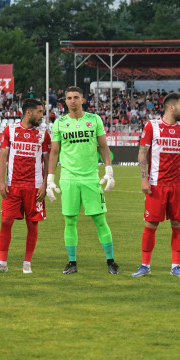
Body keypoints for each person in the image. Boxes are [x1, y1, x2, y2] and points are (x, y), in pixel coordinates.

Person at [46, 86, 119, 275]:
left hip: (91, 178)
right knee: (70, 222)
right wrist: (50, 179)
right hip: (68, 179)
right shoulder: (60, 123)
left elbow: (103, 147)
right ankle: (72, 263)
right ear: (65, 100)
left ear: (83, 99)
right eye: (69, 98)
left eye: (76, 97)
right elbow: (54, 152)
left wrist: (109, 171)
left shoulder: (94, 120)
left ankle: (111, 262)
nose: (72, 101)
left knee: (100, 221)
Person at [132, 92, 180, 278]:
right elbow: (142, 153)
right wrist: (143, 179)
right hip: (156, 184)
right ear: (171, 107)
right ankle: (145, 266)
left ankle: (176, 266)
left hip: (179, 184)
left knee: (178, 224)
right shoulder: (152, 126)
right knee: (150, 224)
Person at [0, 99, 50, 274]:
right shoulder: (11, 130)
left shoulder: (43, 134)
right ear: (28, 112)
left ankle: (27, 263)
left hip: (34, 187)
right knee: (6, 221)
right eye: (39, 112)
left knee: (32, 224)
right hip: (13, 185)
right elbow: (3, 156)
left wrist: (45, 184)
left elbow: (48, 161)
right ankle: (2, 263)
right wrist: (1, 181)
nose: (41, 115)